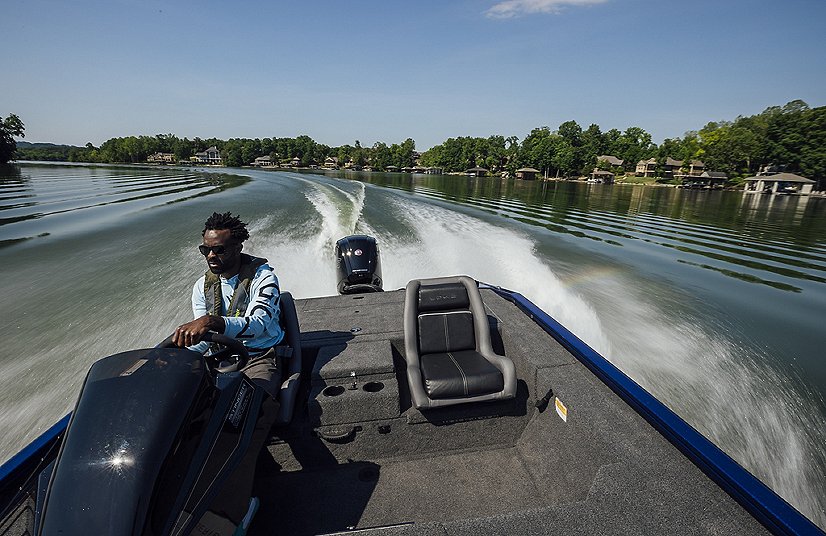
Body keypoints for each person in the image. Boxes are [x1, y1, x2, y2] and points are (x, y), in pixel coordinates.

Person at [173, 211, 284, 536]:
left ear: (238, 246)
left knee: (244, 419)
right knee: (188, 421)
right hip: (220, 358)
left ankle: (230, 513)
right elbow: (202, 342)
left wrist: (214, 322)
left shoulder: (264, 277)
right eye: (206, 250)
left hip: (259, 357)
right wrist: (171, 359)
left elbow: (262, 325)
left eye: (219, 249)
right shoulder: (201, 287)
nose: (211, 256)